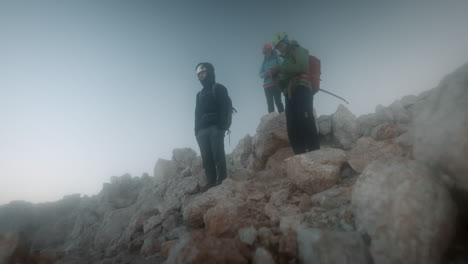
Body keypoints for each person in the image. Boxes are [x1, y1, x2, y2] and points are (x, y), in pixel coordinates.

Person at [270, 32, 320, 154]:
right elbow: (282, 87)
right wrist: (276, 79)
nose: (280, 49)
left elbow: (300, 67)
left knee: (305, 119)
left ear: (286, 42)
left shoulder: (299, 50)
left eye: (281, 45)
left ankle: (315, 154)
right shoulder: (284, 61)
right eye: (278, 47)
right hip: (289, 93)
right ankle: (299, 156)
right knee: (292, 126)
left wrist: (280, 69)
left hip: (302, 88)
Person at [194, 62, 229, 189]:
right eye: (199, 75)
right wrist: (196, 132)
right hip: (202, 132)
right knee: (207, 159)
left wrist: (222, 127)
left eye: (203, 72)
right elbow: (197, 114)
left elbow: (225, 108)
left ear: (209, 72)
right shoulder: (199, 95)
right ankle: (211, 183)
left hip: (216, 128)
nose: (201, 76)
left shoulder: (219, 88)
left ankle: (222, 183)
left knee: (218, 156)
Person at [259, 43, 284, 113]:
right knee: (270, 104)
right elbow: (260, 74)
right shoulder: (264, 62)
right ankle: (271, 119)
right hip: (267, 86)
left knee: (278, 102)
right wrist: (266, 74)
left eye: (268, 50)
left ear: (271, 50)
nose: (267, 53)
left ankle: (283, 117)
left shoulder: (277, 58)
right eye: (265, 52)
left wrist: (276, 70)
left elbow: (283, 66)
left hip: (276, 83)